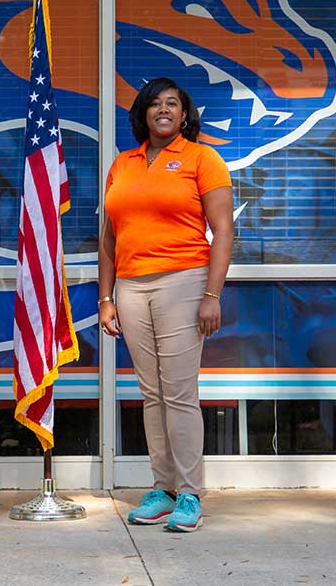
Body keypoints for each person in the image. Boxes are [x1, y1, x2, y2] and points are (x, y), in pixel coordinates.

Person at [98, 77, 234, 532]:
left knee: (178, 393)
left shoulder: (202, 159)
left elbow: (224, 232)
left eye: (172, 104)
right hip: (131, 288)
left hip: (184, 282)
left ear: (184, 115)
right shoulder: (122, 163)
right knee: (152, 394)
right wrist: (106, 298)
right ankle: (163, 487)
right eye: (155, 103)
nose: (163, 110)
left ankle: (191, 493)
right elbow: (108, 240)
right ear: (143, 112)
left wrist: (211, 295)